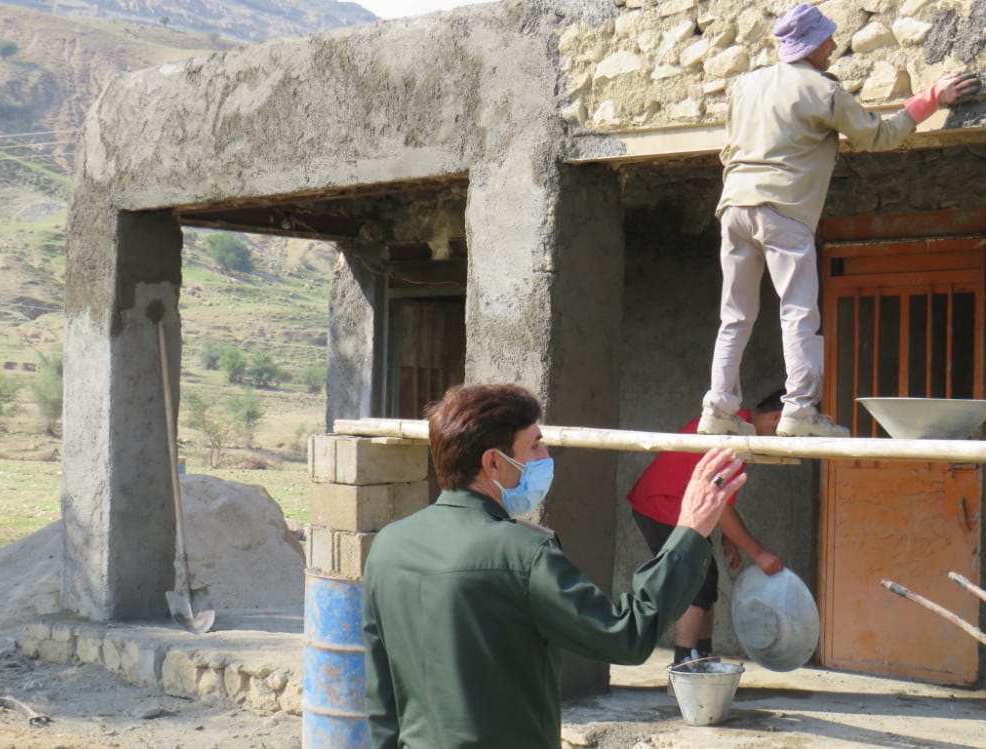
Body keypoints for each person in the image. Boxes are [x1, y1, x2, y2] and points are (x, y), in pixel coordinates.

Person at [363, 383, 745, 749]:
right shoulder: (522, 552)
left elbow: (382, 702)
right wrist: (691, 531)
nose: (545, 458)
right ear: (493, 462)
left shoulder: (388, 547)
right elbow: (626, 634)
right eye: (535, 445)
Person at [698, 3, 981, 438]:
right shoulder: (821, 91)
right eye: (827, 39)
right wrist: (930, 99)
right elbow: (879, 135)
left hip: (734, 206)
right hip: (784, 210)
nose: (833, 45)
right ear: (810, 46)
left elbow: (728, 149)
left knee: (735, 315)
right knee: (797, 312)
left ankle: (717, 410)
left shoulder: (745, 85)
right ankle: (801, 411)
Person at [630, 390, 786, 667]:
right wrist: (758, 553)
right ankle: (684, 665)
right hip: (662, 503)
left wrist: (729, 537)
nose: (787, 443)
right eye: (790, 434)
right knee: (695, 583)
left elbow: (721, 497)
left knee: (705, 578)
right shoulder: (733, 434)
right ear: (777, 418)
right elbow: (722, 507)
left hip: (670, 502)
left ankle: (702, 657)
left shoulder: (739, 426)